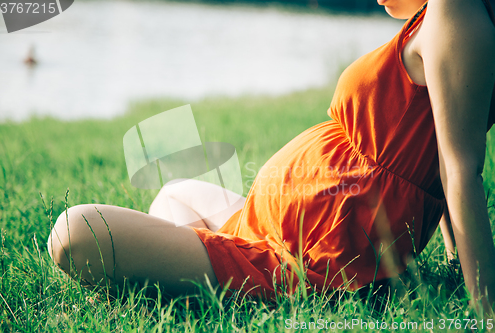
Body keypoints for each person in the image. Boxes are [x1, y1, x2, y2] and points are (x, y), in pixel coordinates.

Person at [48, 0, 495, 311]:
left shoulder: (453, 9)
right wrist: (453, 266)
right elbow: (438, 152)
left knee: (73, 231)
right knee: (173, 193)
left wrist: (483, 310)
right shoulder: (441, 20)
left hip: (301, 262)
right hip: (275, 229)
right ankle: (202, 268)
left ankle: (217, 278)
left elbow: (460, 170)